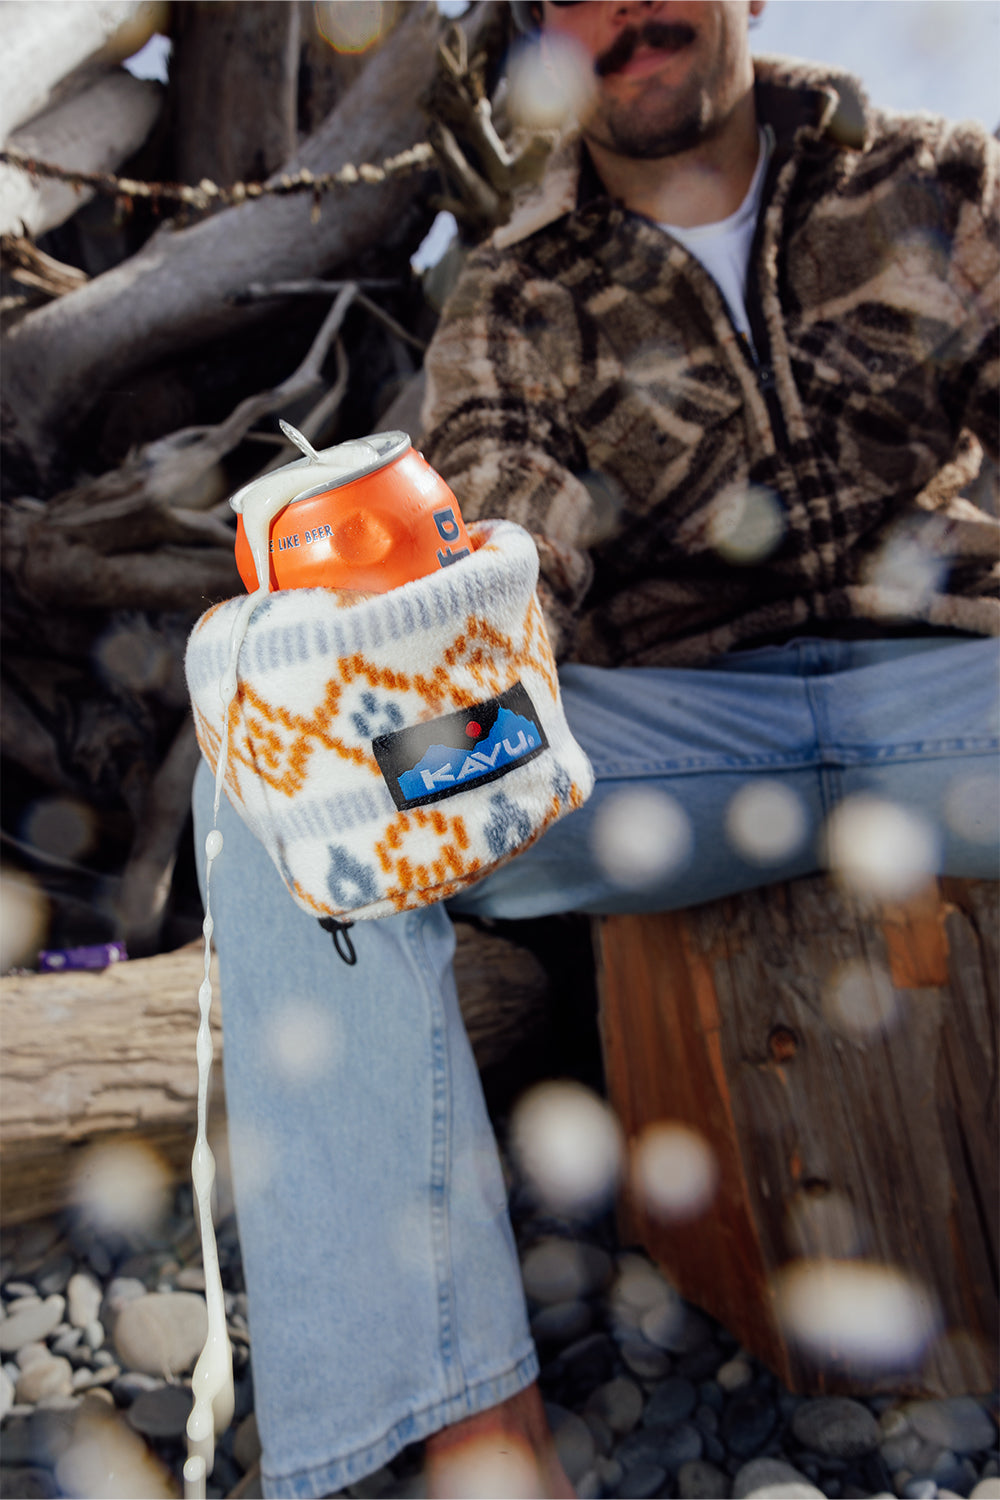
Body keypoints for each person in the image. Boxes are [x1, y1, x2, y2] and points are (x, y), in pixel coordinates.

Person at [192, 3, 999, 1495]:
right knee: (275, 791)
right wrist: (406, 694)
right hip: (661, 746)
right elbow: (510, 559)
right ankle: (470, 1426)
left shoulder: (941, 184)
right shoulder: (516, 288)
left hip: (951, 699)